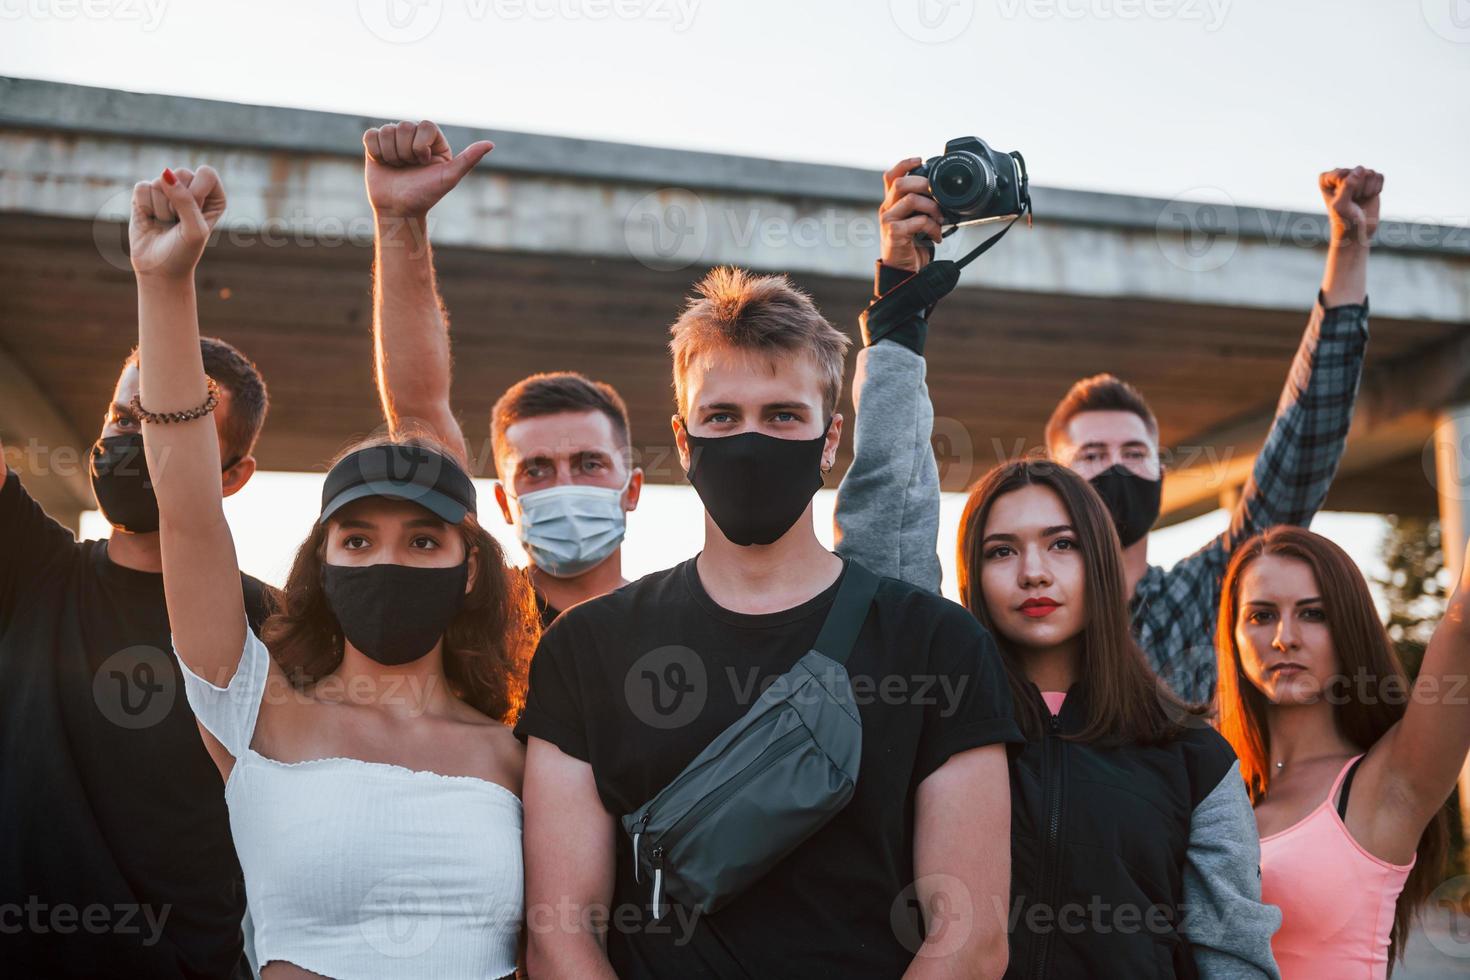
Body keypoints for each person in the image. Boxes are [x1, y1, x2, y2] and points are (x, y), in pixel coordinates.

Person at [515, 266, 1021, 979]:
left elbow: (969, 941)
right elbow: (561, 936)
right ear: (684, 442)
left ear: (829, 439)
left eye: (783, 415)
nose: (750, 441)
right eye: (722, 417)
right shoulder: (586, 649)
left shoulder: (940, 644)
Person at [131, 163, 536, 978]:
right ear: (323, 560)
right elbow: (187, 505)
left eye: (423, 541)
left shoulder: (518, 756)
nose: (387, 558)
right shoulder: (256, 712)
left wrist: (402, 227)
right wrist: (165, 281)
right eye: (356, 540)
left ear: (468, 570)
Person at [837, 161, 1382, 704]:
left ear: (1160, 472)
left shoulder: (1201, 601)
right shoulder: (987, 635)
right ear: (1056, 479)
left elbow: (1300, 453)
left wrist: (1350, 250)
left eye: (1133, 452)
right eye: (1092, 453)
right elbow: (891, 542)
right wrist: (901, 292)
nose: (1116, 467)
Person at [0, 261, 269, 974]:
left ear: (234, 474)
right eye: (125, 417)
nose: (138, 441)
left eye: (169, 426)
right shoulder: (31, 567)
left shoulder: (273, 622)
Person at [957, 458, 1280, 979]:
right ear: (972, 573)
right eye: (1002, 551)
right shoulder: (945, 733)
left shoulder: (1193, 754)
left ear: (1102, 562)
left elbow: (1233, 956)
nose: (1033, 571)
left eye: (1062, 544)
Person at [364, 119, 643, 627]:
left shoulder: (679, 620)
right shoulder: (475, 621)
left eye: (589, 464)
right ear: (503, 501)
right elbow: (419, 414)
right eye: (535, 470)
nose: (563, 487)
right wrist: (398, 219)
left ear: (632, 487)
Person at [1216, 525, 1466, 979]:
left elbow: (1463, 623)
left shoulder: (1389, 784)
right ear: (1231, 634)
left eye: (1313, 614)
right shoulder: (1210, 791)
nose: (1284, 638)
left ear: (1348, 626)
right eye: (1261, 616)